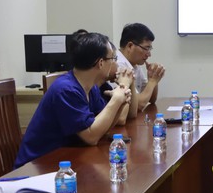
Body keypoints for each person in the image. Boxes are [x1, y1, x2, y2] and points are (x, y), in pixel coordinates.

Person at [15, 33, 131, 168]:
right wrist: (116, 100)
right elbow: (91, 137)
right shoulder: (66, 90)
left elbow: (103, 129)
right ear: (100, 63)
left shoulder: (91, 87)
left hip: (66, 160)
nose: (114, 63)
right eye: (112, 58)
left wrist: (121, 102)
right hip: (38, 166)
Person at [116, 23, 165, 111]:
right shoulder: (119, 65)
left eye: (150, 49)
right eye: (146, 48)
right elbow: (138, 105)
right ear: (130, 46)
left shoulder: (134, 64)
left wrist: (152, 77)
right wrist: (152, 81)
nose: (149, 54)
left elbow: (151, 99)